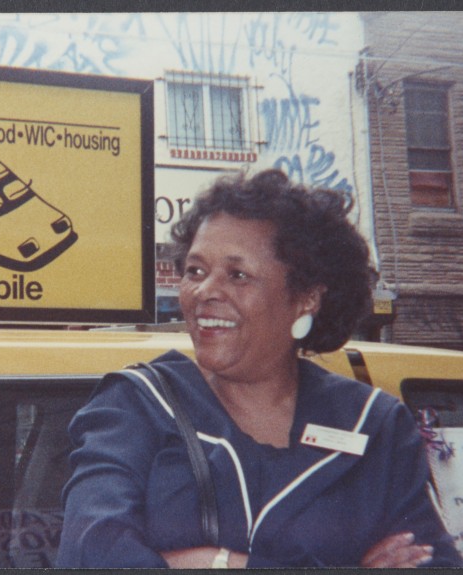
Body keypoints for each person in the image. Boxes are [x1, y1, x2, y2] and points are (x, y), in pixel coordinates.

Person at [57, 169, 462, 568]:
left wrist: (211, 562)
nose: (204, 291)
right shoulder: (139, 404)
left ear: (306, 298)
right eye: (195, 270)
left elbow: (428, 561)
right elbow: (90, 553)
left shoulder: (372, 424)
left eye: (238, 275)